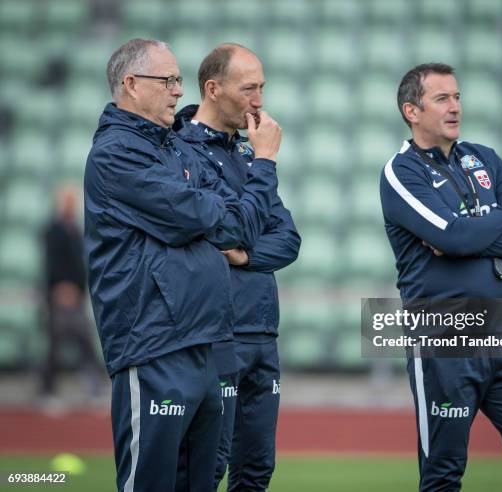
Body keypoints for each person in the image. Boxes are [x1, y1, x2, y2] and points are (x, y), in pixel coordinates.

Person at [84, 38, 282, 492]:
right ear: (130, 85)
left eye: (178, 80)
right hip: (154, 343)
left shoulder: (175, 146)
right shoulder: (118, 154)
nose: (178, 90)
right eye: (168, 80)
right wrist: (265, 162)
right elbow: (227, 222)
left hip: (204, 342)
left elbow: (242, 224)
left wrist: (226, 216)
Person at [379, 63, 502, 491]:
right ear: (412, 110)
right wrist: (496, 220)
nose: (455, 107)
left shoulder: (485, 158)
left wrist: (471, 231)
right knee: (443, 472)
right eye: (442, 98)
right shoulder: (401, 172)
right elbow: (453, 236)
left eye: (457, 97)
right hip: (444, 337)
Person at [174, 43, 300, 491]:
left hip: (262, 331)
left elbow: (288, 239)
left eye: (262, 88)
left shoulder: (246, 154)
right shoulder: (182, 150)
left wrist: (247, 256)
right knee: (208, 468)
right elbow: (226, 232)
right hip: (217, 333)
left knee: (256, 470)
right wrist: (266, 162)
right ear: (213, 89)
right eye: (249, 88)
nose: (259, 100)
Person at [40, 184, 104, 400]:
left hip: (76, 293)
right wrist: (61, 287)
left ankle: (94, 387)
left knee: (84, 341)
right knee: (56, 343)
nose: (71, 205)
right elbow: (52, 263)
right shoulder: (53, 229)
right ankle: (47, 390)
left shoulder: (76, 229)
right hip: (59, 294)